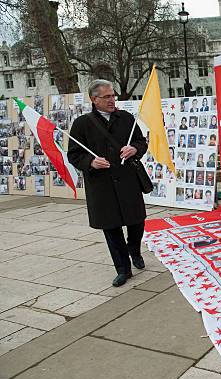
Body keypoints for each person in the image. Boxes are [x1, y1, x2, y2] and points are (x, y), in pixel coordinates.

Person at [68, 79, 148, 287]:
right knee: (111, 228)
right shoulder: (82, 124)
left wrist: (135, 149)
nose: (112, 100)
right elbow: (74, 155)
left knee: (136, 221)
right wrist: (91, 162)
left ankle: (135, 250)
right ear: (94, 100)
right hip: (101, 185)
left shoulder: (126, 118)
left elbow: (141, 141)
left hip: (128, 179)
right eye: (107, 97)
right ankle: (123, 269)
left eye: (113, 95)